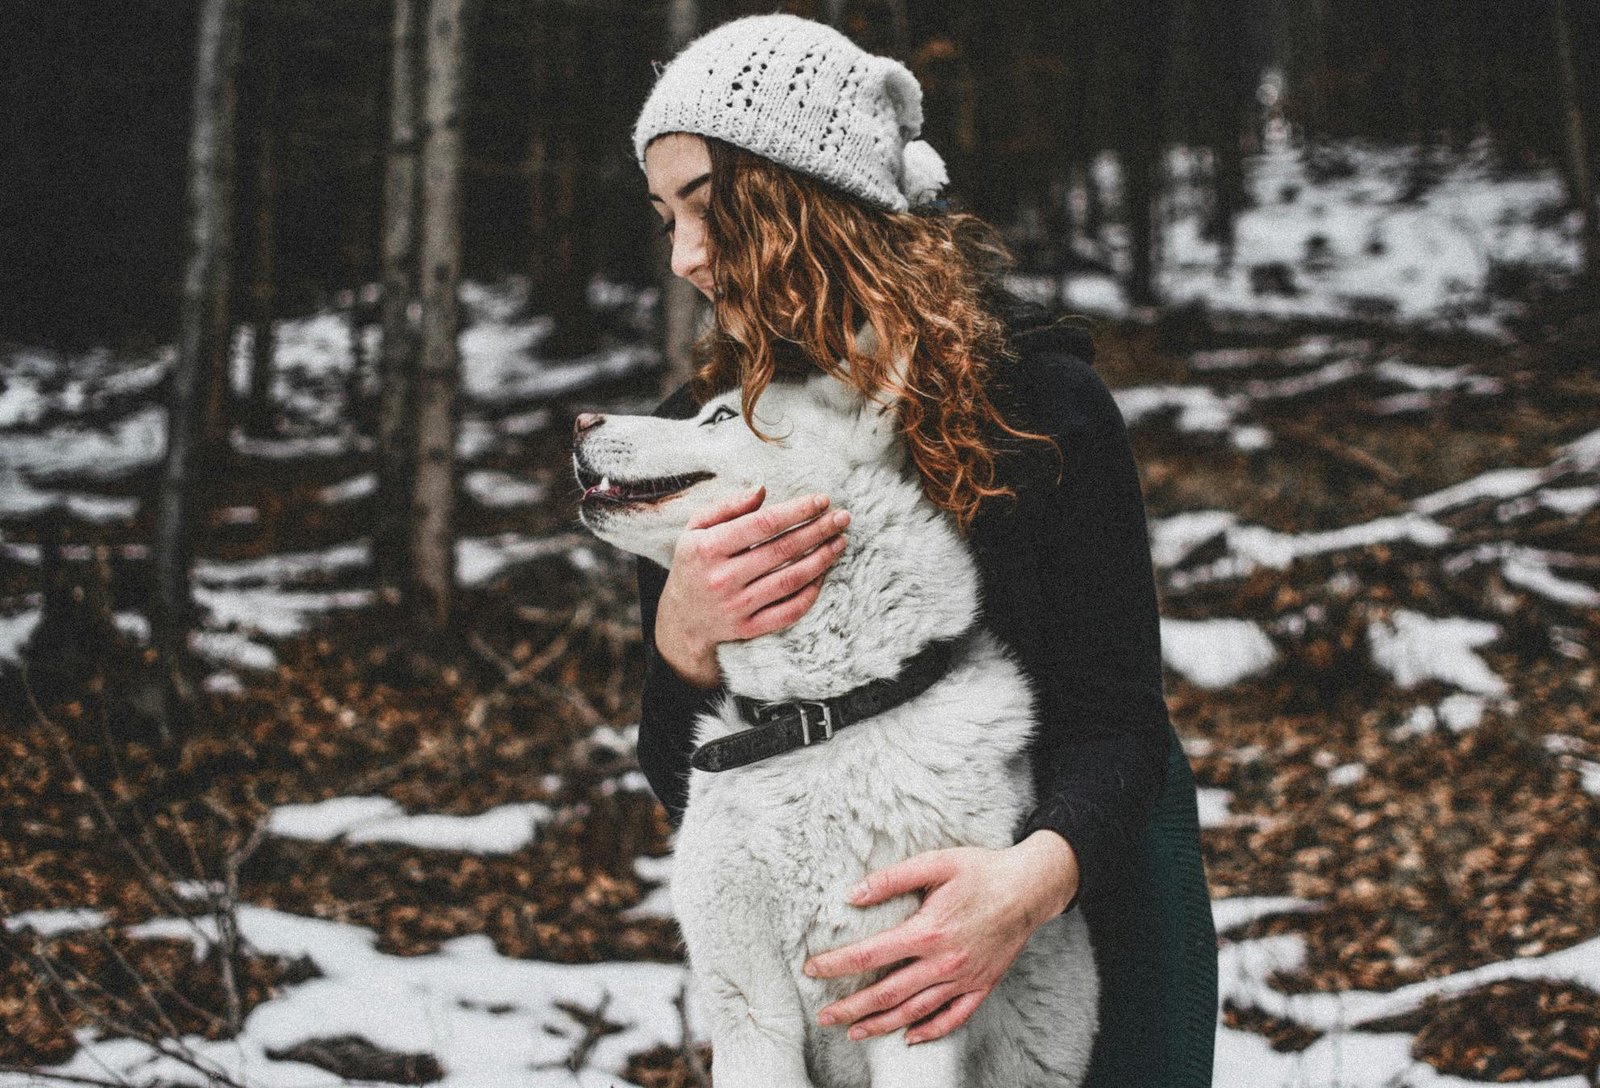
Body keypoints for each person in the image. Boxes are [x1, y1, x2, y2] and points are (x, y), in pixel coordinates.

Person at [625, 13, 1216, 1085]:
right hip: (849, 966)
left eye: (709, 207)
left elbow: (1118, 717)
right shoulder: (698, 439)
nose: (684, 257)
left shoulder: (1039, 406)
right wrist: (683, 639)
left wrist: (1022, 888)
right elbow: (688, 782)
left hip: (1088, 876)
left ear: (810, 194)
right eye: (666, 218)